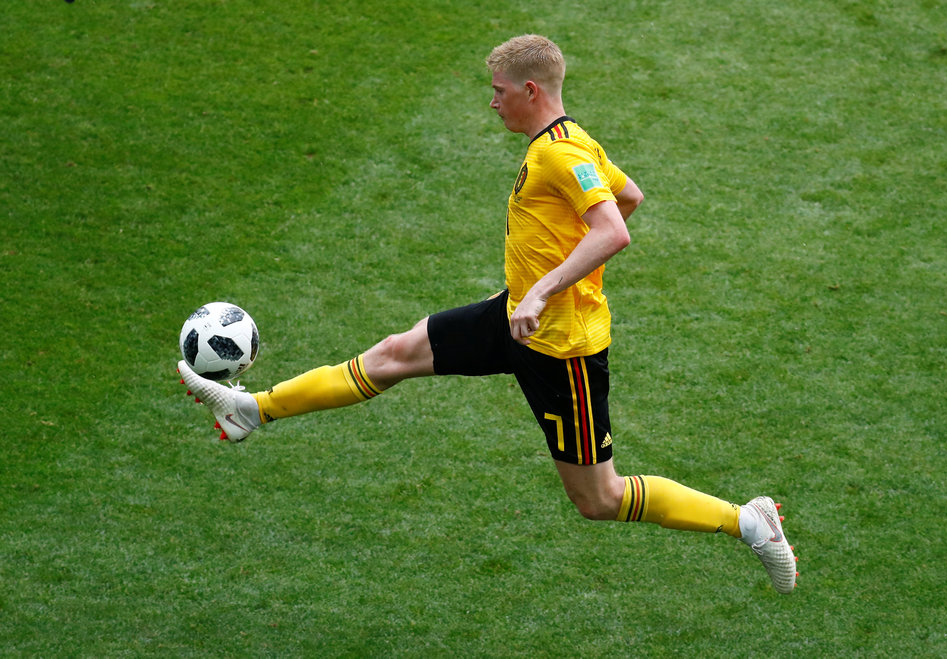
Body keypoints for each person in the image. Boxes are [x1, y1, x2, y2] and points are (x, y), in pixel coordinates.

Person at [178, 34, 797, 594]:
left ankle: (748, 522)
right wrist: (545, 285)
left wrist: (546, 290)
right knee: (393, 354)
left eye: (498, 91)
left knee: (599, 498)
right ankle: (250, 410)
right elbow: (629, 196)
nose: (492, 103)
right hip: (515, 321)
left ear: (531, 90)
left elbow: (613, 228)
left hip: (562, 350)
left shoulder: (562, 154)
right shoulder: (567, 145)